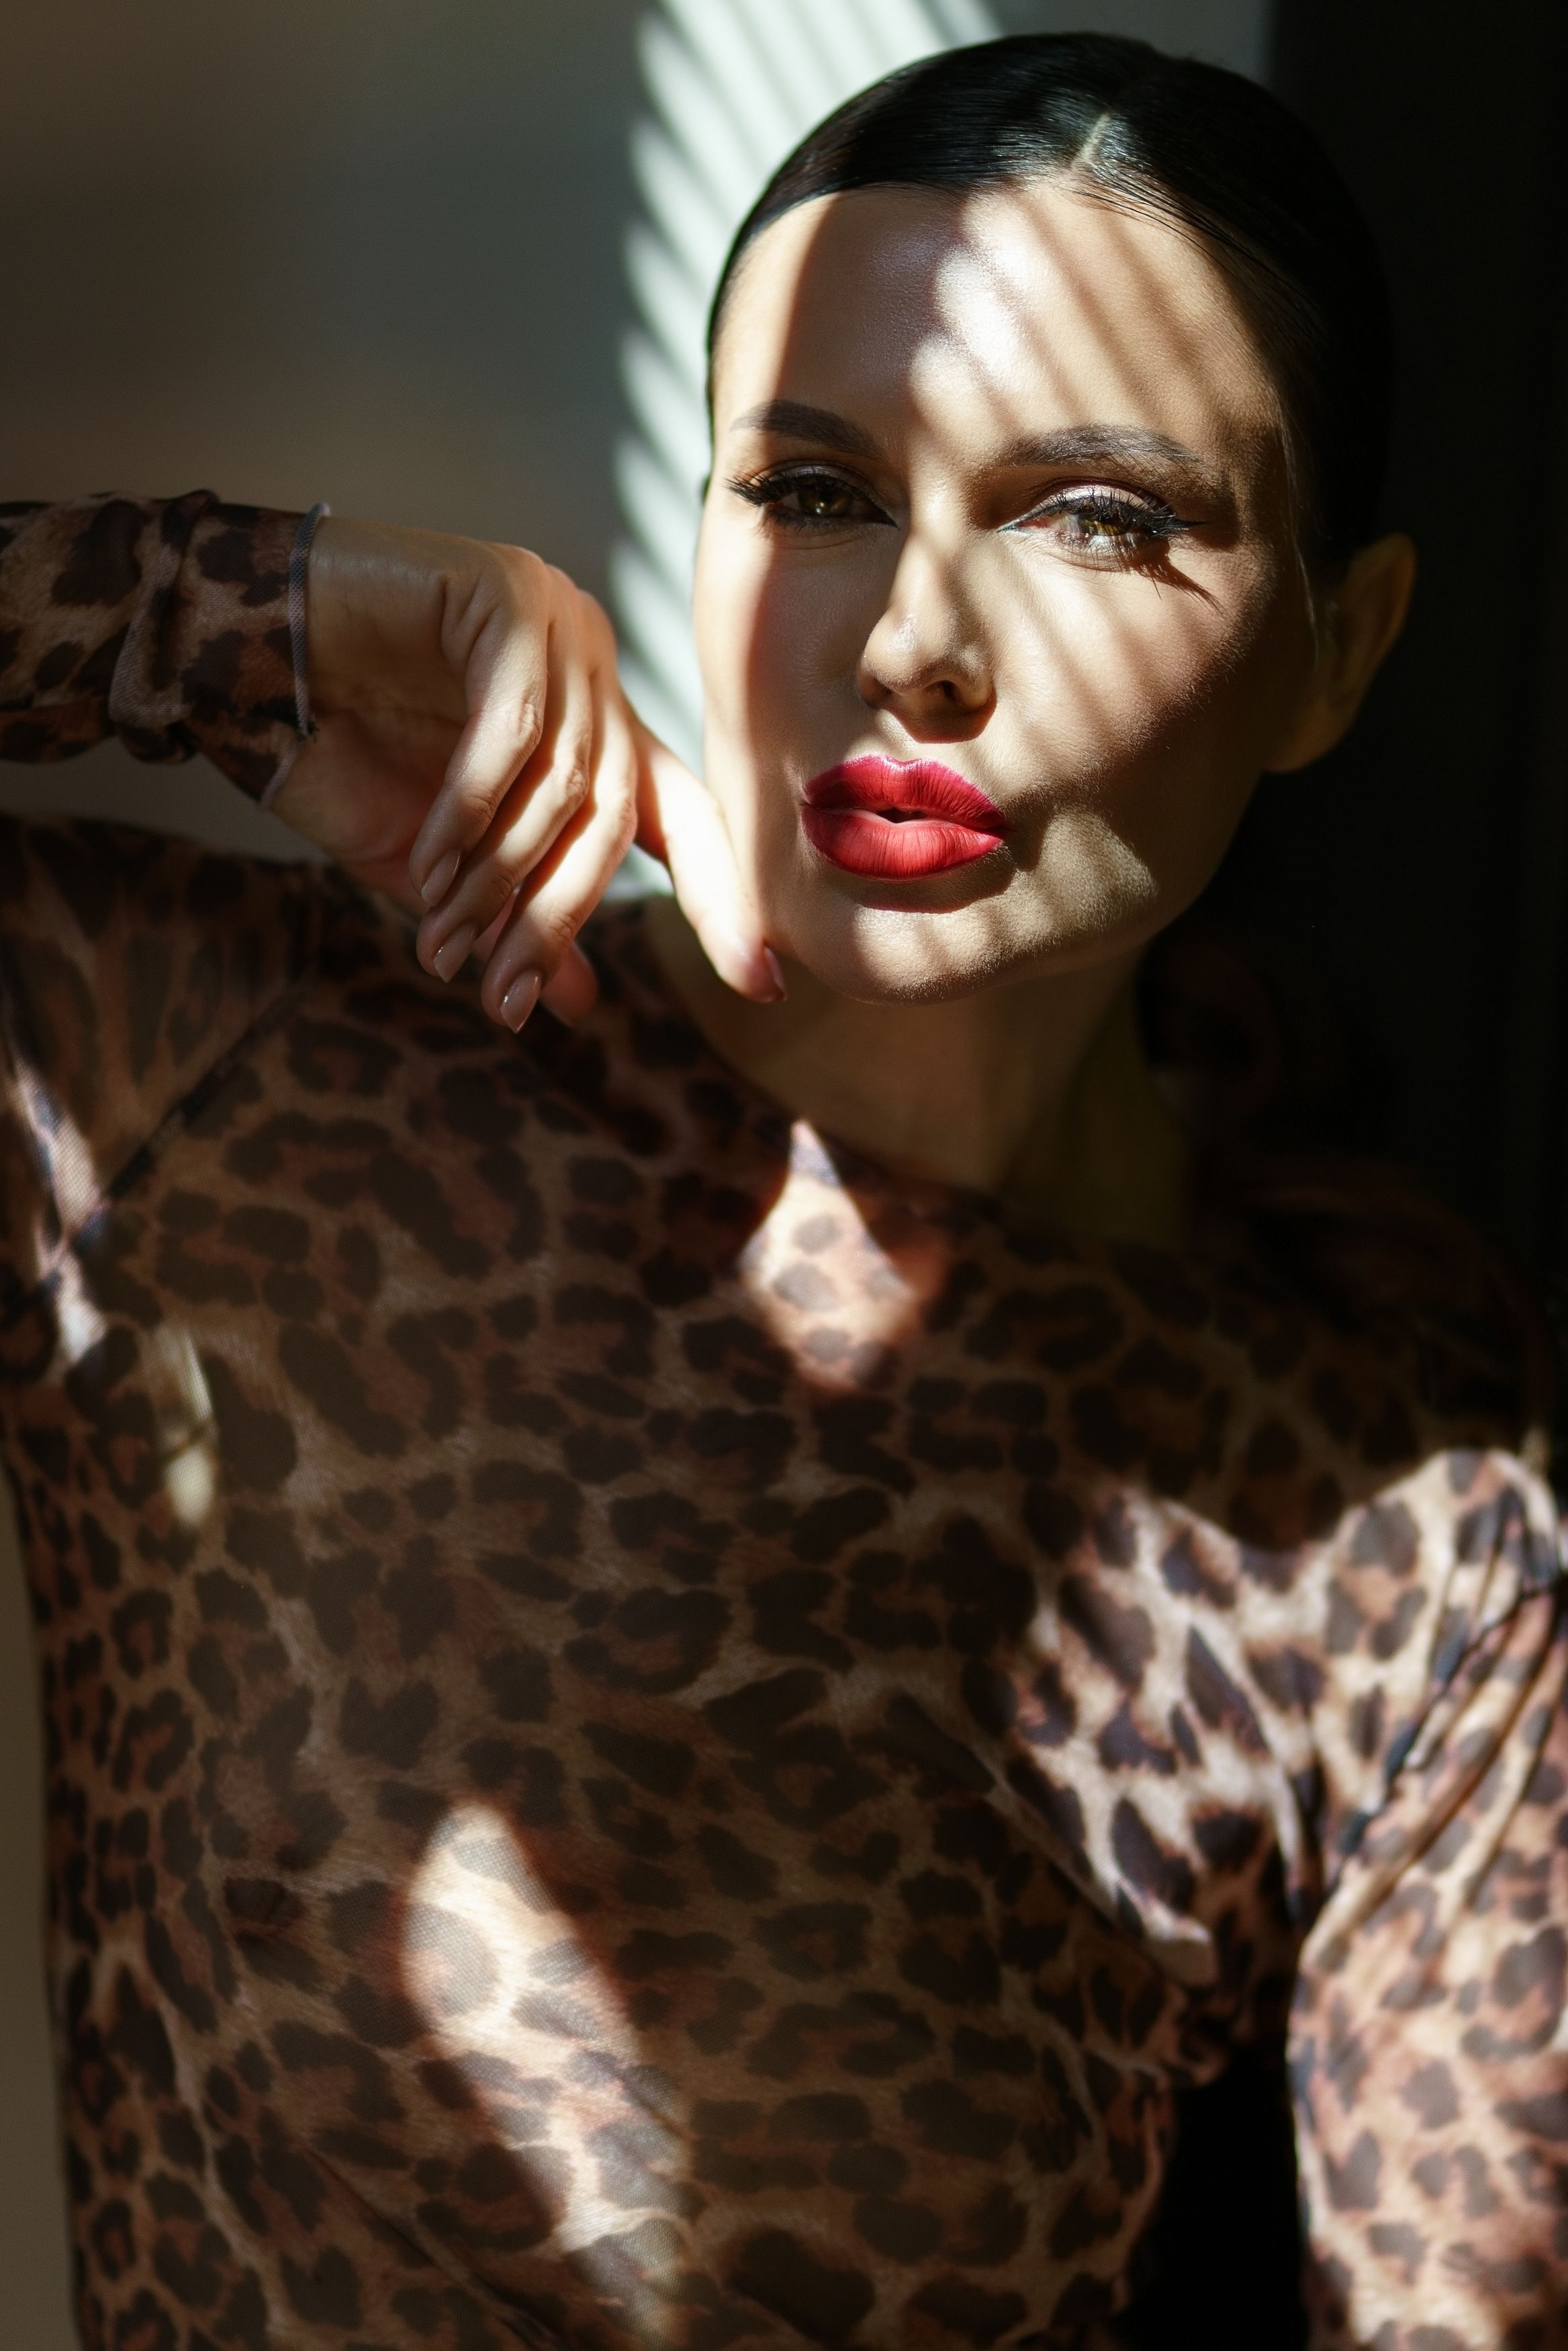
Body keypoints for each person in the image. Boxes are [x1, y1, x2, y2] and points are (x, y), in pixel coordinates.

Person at [1, 32, 1563, 2351]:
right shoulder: (219, 1070)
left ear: (1342, 646)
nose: (914, 637)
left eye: (1095, 516)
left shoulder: (1394, 1511)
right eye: (815, 489)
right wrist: (250, 611)